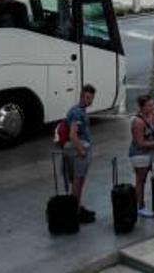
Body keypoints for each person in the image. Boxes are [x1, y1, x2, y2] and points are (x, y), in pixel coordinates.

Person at [129, 94, 154, 217]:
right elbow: (139, 143)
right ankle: (140, 207)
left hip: (151, 152)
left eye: (153, 104)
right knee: (141, 180)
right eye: (149, 105)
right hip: (139, 154)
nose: (152, 107)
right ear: (142, 107)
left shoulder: (153, 114)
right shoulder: (138, 122)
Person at [64, 85, 97, 224]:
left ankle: (76, 206)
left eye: (91, 98)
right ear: (82, 96)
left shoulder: (80, 111)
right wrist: (81, 150)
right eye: (87, 97)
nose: (89, 100)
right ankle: (75, 211)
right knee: (78, 181)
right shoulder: (77, 113)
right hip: (79, 152)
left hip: (80, 150)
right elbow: (73, 134)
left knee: (79, 181)